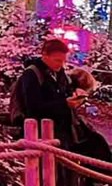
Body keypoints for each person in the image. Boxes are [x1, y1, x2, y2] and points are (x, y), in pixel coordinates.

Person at [16, 39, 112, 184]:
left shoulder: (60, 74)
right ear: (44, 55)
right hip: (44, 131)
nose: (60, 64)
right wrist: (64, 103)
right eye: (57, 60)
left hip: (66, 128)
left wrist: (74, 98)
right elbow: (33, 107)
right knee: (57, 171)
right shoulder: (32, 75)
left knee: (96, 145)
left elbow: (64, 94)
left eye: (62, 61)